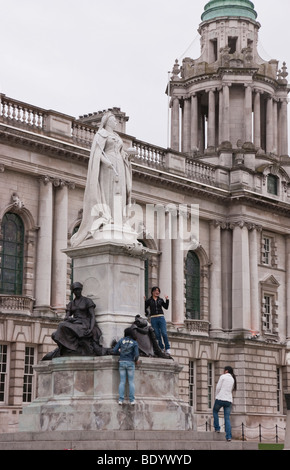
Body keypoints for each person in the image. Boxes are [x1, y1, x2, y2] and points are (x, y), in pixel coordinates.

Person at [71, 111, 132, 247]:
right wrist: (107, 162)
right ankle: (107, 216)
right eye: (113, 120)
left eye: (116, 121)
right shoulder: (101, 134)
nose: (116, 123)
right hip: (107, 167)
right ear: (108, 121)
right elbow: (98, 153)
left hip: (120, 166)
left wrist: (127, 157)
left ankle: (117, 220)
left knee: (119, 192)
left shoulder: (116, 136)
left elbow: (121, 152)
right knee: (108, 190)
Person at [51, 282, 104, 356]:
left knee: (61, 326)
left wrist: (91, 329)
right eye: (75, 290)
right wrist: (69, 319)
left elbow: (92, 316)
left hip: (85, 323)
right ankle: (69, 348)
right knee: (58, 330)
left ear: (81, 290)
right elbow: (66, 317)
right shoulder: (71, 303)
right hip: (75, 322)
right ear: (73, 292)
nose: (77, 291)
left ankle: (71, 348)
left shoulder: (87, 301)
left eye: (79, 290)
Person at [113, 328, 139, 405]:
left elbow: (114, 350)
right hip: (130, 362)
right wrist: (135, 360)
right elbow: (137, 354)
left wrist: (120, 351)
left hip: (122, 362)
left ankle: (120, 399)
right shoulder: (134, 342)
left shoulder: (121, 340)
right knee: (131, 382)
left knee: (122, 381)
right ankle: (132, 400)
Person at [213, 366, 237, 442]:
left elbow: (218, 387)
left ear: (226, 371)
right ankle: (228, 436)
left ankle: (217, 428)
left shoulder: (223, 376)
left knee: (215, 411)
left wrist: (216, 396)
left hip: (221, 397)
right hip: (228, 400)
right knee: (227, 418)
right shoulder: (232, 379)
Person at [144, 286, 171, 354]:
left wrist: (167, 300)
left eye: (158, 291)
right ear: (152, 292)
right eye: (156, 291)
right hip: (153, 318)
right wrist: (144, 301)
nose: (157, 292)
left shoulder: (160, 300)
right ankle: (161, 348)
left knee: (164, 333)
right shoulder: (149, 301)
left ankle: (167, 348)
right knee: (157, 334)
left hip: (161, 317)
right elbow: (145, 307)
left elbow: (166, 307)